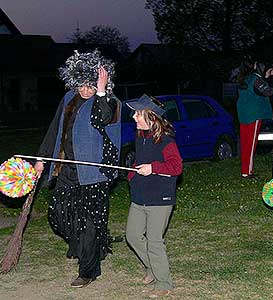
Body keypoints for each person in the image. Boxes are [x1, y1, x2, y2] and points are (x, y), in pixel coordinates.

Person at [33, 50, 121, 288]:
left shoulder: (110, 102)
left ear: (100, 83)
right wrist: (41, 160)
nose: (85, 91)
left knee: (89, 223)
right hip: (67, 170)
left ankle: (89, 270)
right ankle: (89, 245)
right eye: (81, 85)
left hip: (94, 175)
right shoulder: (68, 99)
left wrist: (101, 91)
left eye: (90, 86)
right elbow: (55, 130)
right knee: (59, 215)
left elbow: (102, 118)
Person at [125, 94, 183, 298]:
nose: (133, 117)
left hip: (160, 199)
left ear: (151, 117)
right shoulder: (141, 137)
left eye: (138, 114)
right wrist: (131, 174)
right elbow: (140, 162)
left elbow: (176, 167)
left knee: (154, 240)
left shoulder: (166, 141)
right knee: (132, 235)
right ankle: (153, 267)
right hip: (140, 197)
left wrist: (153, 168)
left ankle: (164, 282)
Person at [236, 61, 273, 178]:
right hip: (253, 115)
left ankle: (245, 170)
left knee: (245, 143)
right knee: (251, 144)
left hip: (243, 114)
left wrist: (266, 77)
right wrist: (272, 77)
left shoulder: (245, 78)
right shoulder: (256, 79)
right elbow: (269, 91)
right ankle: (247, 172)